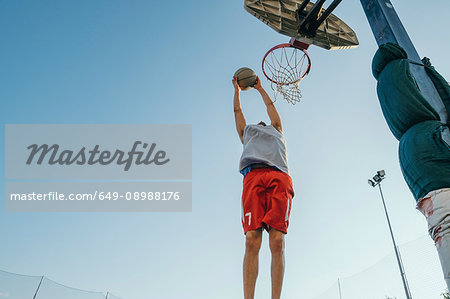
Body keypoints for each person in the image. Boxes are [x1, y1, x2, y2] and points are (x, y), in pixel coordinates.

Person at [232, 75, 294, 299]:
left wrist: (259, 88)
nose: (260, 122)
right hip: (253, 177)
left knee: (277, 240)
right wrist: (237, 90)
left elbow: (269, 106)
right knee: (252, 240)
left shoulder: (276, 128)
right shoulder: (247, 132)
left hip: (279, 176)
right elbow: (238, 113)